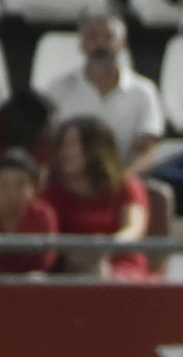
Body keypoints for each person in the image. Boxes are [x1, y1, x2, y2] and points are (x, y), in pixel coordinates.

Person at [41, 14, 164, 178]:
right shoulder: (57, 89)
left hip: (123, 178)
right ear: (82, 45)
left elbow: (147, 151)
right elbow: (47, 143)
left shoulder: (144, 91)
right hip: (67, 180)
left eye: (108, 37)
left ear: (123, 43)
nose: (100, 44)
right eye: (92, 37)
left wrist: (121, 181)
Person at [41, 116, 150, 278]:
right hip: (73, 273)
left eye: (72, 145)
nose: (65, 153)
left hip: (124, 269)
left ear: (95, 149)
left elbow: (134, 228)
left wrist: (103, 248)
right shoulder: (51, 194)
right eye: (62, 145)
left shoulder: (126, 187)